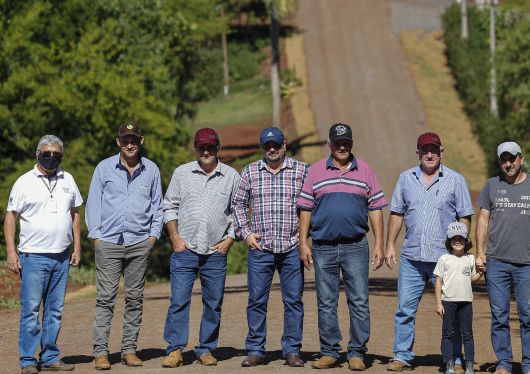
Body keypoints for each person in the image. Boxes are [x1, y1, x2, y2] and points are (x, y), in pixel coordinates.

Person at [296, 123, 387, 371]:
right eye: (337, 143)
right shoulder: (315, 170)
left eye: (346, 142)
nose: (342, 146)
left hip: (356, 246)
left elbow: (375, 208)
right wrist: (303, 243)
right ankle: (329, 352)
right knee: (326, 301)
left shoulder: (365, 169)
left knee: (358, 300)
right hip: (323, 247)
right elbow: (305, 209)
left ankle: (356, 352)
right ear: (330, 145)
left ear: (351, 144)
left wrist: (378, 243)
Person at [385, 132, 474, 372]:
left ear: (441, 152)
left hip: (444, 259)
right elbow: (397, 214)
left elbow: (465, 217)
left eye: (434, 150)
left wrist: (460, 252)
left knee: (452, 311)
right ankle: (402, 356)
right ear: (418, 153)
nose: (430, 154)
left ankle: (454, 357)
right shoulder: (405, 179)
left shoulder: (456, 180)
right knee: (404, 309)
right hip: (412, 257)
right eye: (425, 150)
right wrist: (390, 244)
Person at [85, 122, 163, 370]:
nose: (130, 144)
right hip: (108, 242)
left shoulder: (151, 170)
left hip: (139, 243)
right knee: (106, 298)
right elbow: (93, 203)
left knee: (134, 299)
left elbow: (157, 206)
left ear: (141, 140)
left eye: (134, 140)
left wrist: (152, 237)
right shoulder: (104, 168)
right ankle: (101, 352)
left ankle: (129, 350)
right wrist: (96, 238)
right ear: (118, 142)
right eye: (125, 140)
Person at [161, 127, 240, 368]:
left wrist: (230, 240)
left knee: (213, 302)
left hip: (215, 252)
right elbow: (169, 206)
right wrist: (175, 238)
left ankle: (206, 348)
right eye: (201, 147)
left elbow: (239, 212)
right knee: (179, 300)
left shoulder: (231, 176)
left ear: (218, 148)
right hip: (185, 249)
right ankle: (175, 350)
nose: (206, 151)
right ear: (196, 149)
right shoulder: (182, 173)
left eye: (210, 147)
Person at [475, 142, 530, 374]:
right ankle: (504, 363)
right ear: (499, 161)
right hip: (496, 262)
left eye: (512, 159)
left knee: (528, 316)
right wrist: (479, 252)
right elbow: (483, 219)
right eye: (503, 160)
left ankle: (529, 365)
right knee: (499, 316)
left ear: (522, 158)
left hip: (527, 264)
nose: (508, 164)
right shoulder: (491, 185)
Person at [5, 135, 82, 374]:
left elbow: (75, 214)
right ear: (37, 153)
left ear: (62, 156)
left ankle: (49, 357)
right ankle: (28, 360)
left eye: (56, 155)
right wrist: (11, 252)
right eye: (46, 154)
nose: (51, 158)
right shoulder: (23, 182)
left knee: (54, 310)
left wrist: (77, 246)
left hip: (61, 256)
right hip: (33, 257)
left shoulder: (68, 179)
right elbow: (10, 218)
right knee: (30, 310)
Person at [233, 126, 310, 367]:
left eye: (276, 145)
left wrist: (305, 237)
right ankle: (256, 349)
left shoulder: (301, 170)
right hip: (261, 249)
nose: (272, 149)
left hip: (291, 247)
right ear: (262, 148)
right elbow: (238, 205)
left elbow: (313, 204)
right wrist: (246, 234)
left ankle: (292, 350)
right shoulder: (250, 171)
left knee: (294, 301)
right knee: (256, 300)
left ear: (284, 145)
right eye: (267, 146)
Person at [434, 222, 482, 374]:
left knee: (467, 334)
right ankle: (449, 364)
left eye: (461, 238)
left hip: (466, 302)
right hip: (448, 302)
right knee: (448, 333)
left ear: (466, 240)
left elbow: (472, 278)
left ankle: (469, 364)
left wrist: (480, 272)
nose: (457, 241)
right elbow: (438, 281)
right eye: (453, 238)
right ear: (449, 242)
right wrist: (439, 303)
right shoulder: (444, 259)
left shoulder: (470, 258)